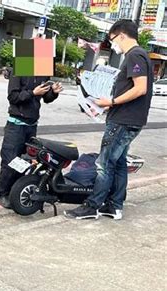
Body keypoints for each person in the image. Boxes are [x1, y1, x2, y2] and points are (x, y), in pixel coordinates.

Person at [65, 19, 153, 220]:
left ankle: (92, 206)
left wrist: (110, 102)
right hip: (130, 119)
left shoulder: (135, 55)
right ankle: (114, 206)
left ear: (121, 35)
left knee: (103, 164)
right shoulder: (139, 55)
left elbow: (140, 88)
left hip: (123, 120)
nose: (113, 44)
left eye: (112, 40)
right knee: (119, 163)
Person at [0, 70, 63, 208]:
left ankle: (16, 189)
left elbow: (46, 98)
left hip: (32, 125)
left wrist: (54, 92)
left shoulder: (43, 72)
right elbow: (13, 97)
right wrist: (33, 93)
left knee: (27, 160)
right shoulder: (19, 68)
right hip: (16, 124)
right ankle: (2, 193)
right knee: (10, 160)